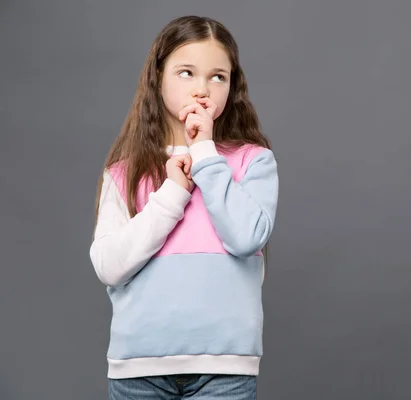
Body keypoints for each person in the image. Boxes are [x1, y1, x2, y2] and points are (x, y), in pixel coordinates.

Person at [89, 15, 278, 399]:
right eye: (186, 73)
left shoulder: (253, 162)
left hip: (224, 369)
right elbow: (109, 267)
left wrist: (205, 153)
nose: (202, 90)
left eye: (218, 77)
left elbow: (246, 237)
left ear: (232, 86)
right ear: (158, 78)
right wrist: (173, 191)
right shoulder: (125, 172)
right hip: (138, 369)